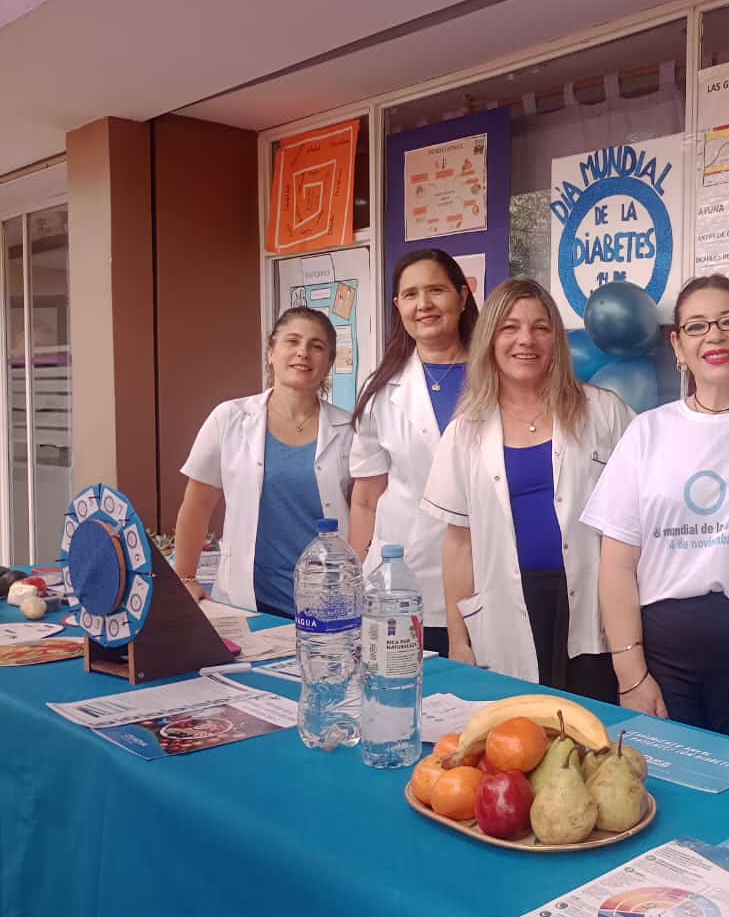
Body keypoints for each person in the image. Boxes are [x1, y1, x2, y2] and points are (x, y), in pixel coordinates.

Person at [581, 274, 729, 749]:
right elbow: (617, 566)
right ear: (677, 345)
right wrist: (630, 673)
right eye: (697, 326)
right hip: (663, 661)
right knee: (666, 783)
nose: (715, 336)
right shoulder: (647, 432)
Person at [422, 278, 632, 701]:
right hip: (509, 606)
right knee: (518, 726)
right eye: (510, 328)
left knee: (593, 724)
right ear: (489, 340)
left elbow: (638, 517)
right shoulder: (465, 431)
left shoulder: (603, 411)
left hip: (592, 602)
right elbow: (459, 545)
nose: (526, 340)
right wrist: (459, 641)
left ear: (556, 340)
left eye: (540, 327)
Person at [174, 307, 353, 617]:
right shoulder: (229, 418)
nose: (303, 352)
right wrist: (185, 577)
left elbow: (366, 511)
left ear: (329, 363)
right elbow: (198, 503)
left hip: (327, 604)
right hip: (246, 603)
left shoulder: (350, 429)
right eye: (292, 341)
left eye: (316, 346)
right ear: (271, 352)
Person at [349, 249, 477, 656]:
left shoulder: (498, 377)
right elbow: (366, 499)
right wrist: (355, 578)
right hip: (400, 580)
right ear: (397, 305)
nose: (424, 304)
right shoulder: (380, 389)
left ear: (462, 296)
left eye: (436, 290)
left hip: (483, 575)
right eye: (410, 294)